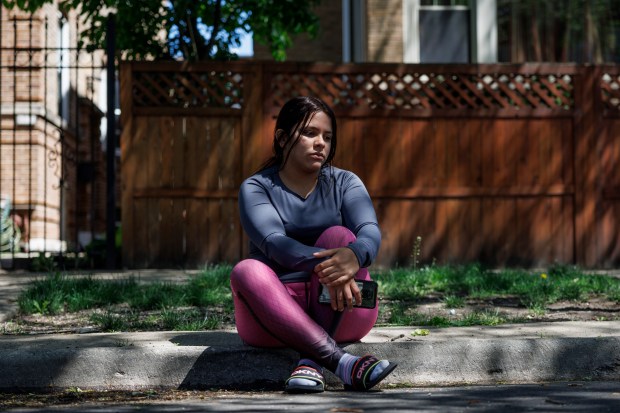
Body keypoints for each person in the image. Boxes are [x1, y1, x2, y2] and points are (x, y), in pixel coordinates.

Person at [230, 96, 397, 393]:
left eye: (328, 137)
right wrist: (336, 264)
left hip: (347, 307)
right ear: (282, 138)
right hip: (274, 316)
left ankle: (311, 360)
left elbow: (369, 231)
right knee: (247, 271)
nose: (321, 143)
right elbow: (275, 244)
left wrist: (354, 254)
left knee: (340, 236)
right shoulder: (257, 188)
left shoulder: (346, 183)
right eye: (310, 133)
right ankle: (344, 363)